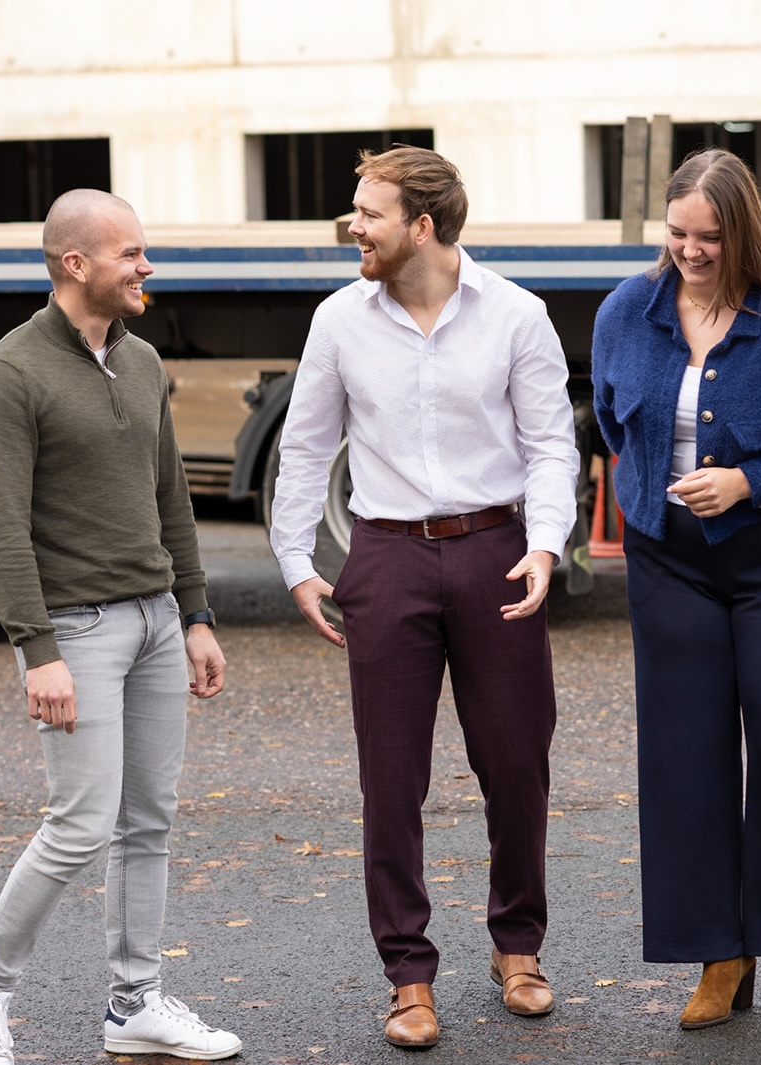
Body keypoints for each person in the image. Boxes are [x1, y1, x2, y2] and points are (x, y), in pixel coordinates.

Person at [269, 146, 578, 1049]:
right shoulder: (339, 320)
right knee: (391, 776)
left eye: (370, 213)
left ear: (424, 225)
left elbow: (551, 446)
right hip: (386, 556)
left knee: (516, 762)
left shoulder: (516, 314)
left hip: (495, 551)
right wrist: (295, 558)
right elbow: (305, 445)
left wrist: (546, 545)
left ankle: (518, 947)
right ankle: (408, 976)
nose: (353, 226)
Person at [0, 189, 241, 1064]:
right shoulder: (7, 375)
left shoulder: (143, 361)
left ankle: (134, 1004)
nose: (146, 266)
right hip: (73, 631)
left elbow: (170, 497)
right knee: (79, 824)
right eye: (130, 253)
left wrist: (195, 614)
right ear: (76, 264)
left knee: (148, 821)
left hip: (156, 620)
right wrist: (35, 649)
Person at [591, 148, 761, 1029]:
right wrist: (652, 491)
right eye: (678, 233)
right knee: (685, 756)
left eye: (708, 236)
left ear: (742, 231)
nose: (691, 251)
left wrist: (748, 481)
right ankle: (721, 951)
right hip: (669, 560)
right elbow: (612, 419)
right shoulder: (625, 311)